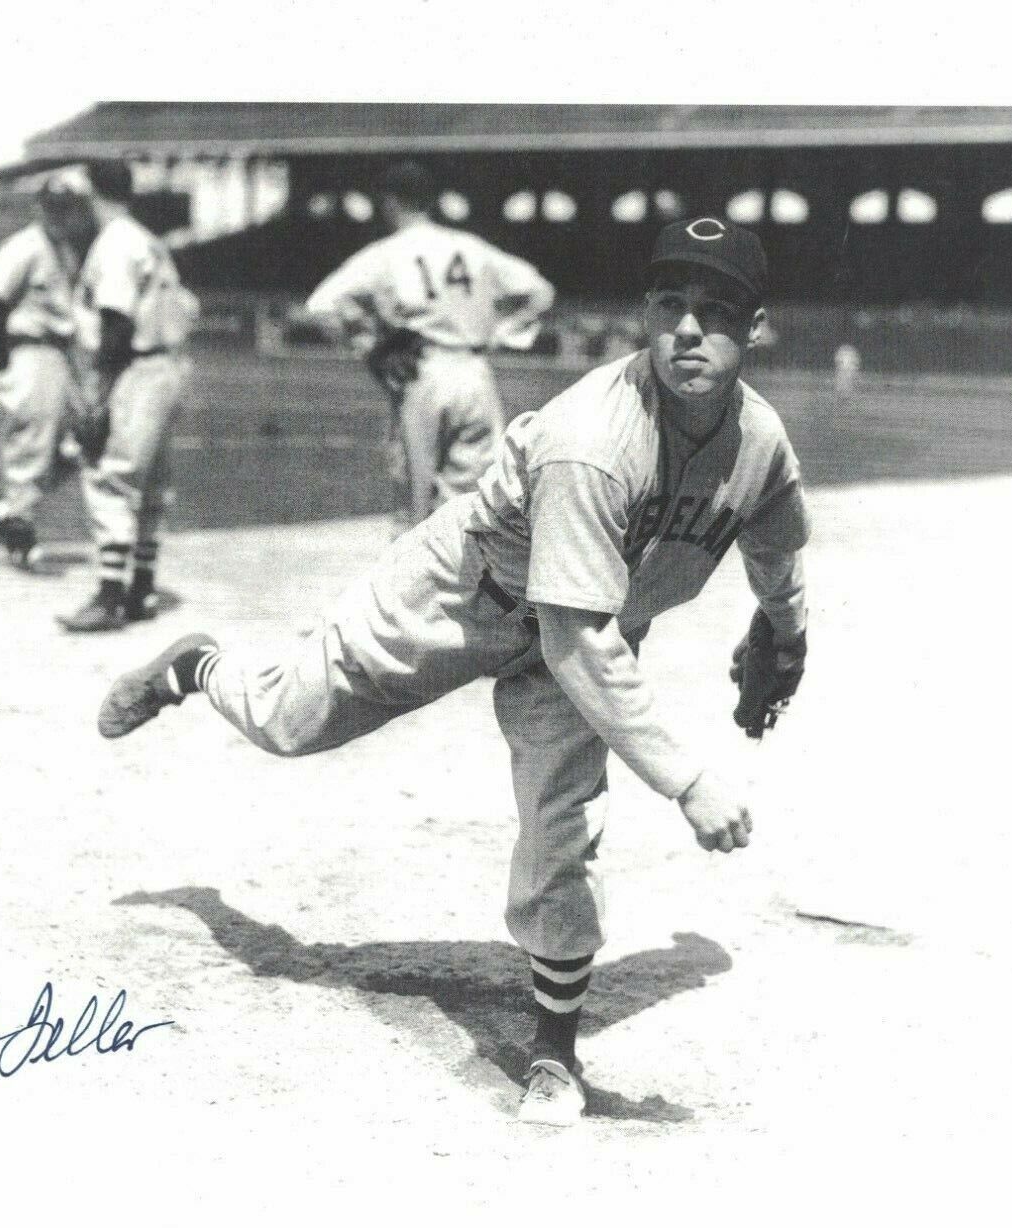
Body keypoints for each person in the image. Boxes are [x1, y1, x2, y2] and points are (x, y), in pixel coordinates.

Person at [97, 217, 811, 1126]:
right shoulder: (593, 437)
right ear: (644, 313)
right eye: (670, 304)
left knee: (564, 819)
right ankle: (197, 666)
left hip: (583, 628)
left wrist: (784, 633)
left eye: (715, 312)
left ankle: (554, 1053)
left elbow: (779, 543)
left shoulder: (762, 441)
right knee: (289, 721)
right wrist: (688, 779)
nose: (686, 330)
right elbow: (574, 641)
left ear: (755, 329)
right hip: (465, 595)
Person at [304, 161, 555, 537]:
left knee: (414, 502)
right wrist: (500, 333)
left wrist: (372, 344)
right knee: (472, 499)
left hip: (422, 371)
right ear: (432, 202)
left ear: (389, 204)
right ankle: (463, 588)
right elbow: (540, 292)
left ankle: (410, 589)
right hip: (475, 373)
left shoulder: (387, 252)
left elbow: (320, 305)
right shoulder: (471, 247)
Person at [58, 159, 199, 633]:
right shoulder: (147, 239)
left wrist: (98, 388)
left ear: (93, 193)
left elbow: (115, 320)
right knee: (153, 484)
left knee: (110, 478)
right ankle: (141, 589)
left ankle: (108, 596)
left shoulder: (115, 242)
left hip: (137, 368)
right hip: (169, 364)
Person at [0, 172, 96, 569]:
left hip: (60, 355)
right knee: (34, 441)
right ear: (38, 207)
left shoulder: (65, 252)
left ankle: (10, 511)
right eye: (52, 206)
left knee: (84, 444)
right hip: (31, 353)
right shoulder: (24, 247)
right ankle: (20, 529)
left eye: (67, 207)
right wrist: (0, 363)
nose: (59, 214)